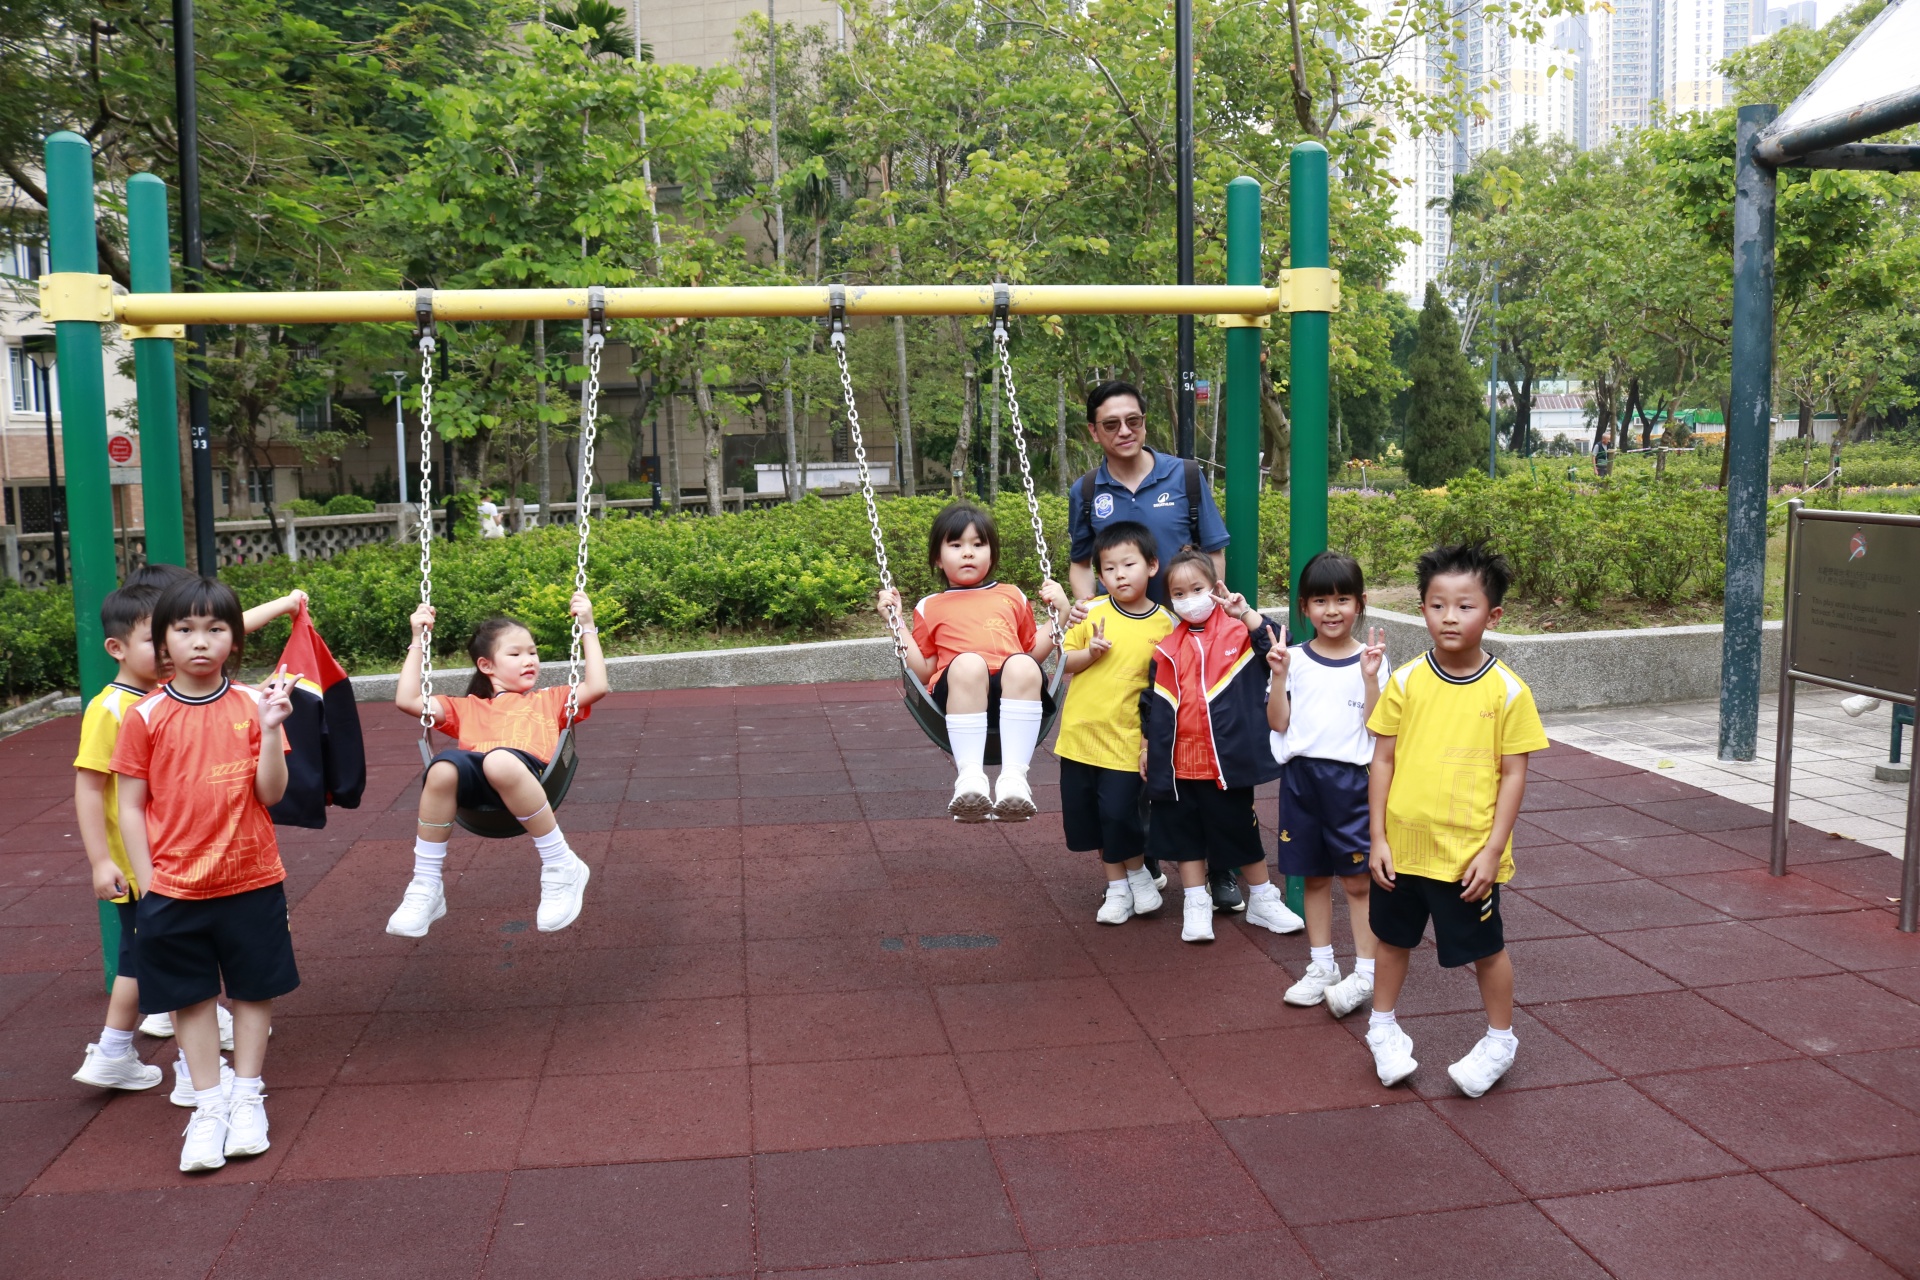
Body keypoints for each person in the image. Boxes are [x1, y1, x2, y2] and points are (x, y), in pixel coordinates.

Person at [112, 576, 303, 1172]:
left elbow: (271, 794)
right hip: (174, 888)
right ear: (164, 642)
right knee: (189, 997)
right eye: (185, 629)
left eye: (216, 629)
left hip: (252, 878)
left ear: (234, 640)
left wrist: (271, 728)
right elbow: (129, 805)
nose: (201, 641)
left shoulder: (253, 703)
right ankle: (209, 1104)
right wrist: (149, 884)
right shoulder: (145, 715)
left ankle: (247, 1096)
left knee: (252, 989)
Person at [1363, 543, 1548, 1097]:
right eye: (1437, 604)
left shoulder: (1508, 691)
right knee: (1391, 940)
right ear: (1422, 609)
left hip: (1467, 857)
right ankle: (1382, 1028)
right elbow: (1383, 760)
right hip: (1402, 847)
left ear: (1493, 615)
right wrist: (1377, 838)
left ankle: (1500, 1041)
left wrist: (1492, 851)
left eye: (1465, 606)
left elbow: (1513, 775)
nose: (1449, 617)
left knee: (1486, 949)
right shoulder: (1405, 681)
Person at [1062, 380, 1236, 908]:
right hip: (1123, 641)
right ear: (1094, 432)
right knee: (1132, 750)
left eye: (1133, 420)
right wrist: (1088, 608)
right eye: (1111, 424)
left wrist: (1206, 612)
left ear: (1144, 422)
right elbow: (1081, 561)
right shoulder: (1087, 491)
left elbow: (1213, 553)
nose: (1125, 431)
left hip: (1183, 637)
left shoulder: (1184, 476)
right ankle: (1145, 859)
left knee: (1200, 752)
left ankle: (1221, 868)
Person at [386, 594, 610, 937]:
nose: (529, 660)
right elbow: (407, 700)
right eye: (515, 654)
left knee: (499, 760)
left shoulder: (551, 699)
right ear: (486, 666)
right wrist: (418, 640)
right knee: (442, 768)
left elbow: (597, 686)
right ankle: (426, 884)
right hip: (478, 784)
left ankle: (561, 863)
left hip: (528, 777)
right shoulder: (467, 707)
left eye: (533, 652)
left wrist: (588, 627)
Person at [1140, 547, 1305, 943]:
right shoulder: (1166, 648)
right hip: (1179, 763)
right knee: (1186, 836)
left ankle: (1263, 898)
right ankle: (1196, 903)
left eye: (1197, 589)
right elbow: (1151, 703)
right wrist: (1146, 747)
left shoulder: (1239, 633)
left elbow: (1279, 645)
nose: (1189, 599)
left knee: (1240, 829)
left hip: (1225, 762)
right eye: (1178, 594)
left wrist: (1244, 612)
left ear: (1215, 588)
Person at [878, 501, 1059, 823]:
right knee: (969, 663)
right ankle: (970, 778)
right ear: (938, 557)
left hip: (1013, 694)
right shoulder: (929, 605)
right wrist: (896, 623)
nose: (968, 553)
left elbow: (1031, 654)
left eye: (978, 545)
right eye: (956, 545)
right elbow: (923, 670)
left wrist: (1062, 615)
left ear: (992, 554)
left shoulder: (1012, 595)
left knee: (1022, 665)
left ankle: (1014, 780)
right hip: (959, 693)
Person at [1267, 551, 1387, 1017]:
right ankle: (1322, 966)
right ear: (1304, 606)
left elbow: (1377, 727)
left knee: (1357, 882)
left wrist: (1371, 679)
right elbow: (1278, 723)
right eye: (1320, 601)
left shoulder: (1371, 660)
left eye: (1342, 600)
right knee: (1312, 877)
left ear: (1360, 603)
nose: (1331, 610)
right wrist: (1278, 676)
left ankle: (1367, 973)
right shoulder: (1293, 659)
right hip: (1301, 780)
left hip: (1352, 782)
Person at [1041, 522, 1172, 924]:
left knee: (1119, 813)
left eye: (1129, 565)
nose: (1119, 575)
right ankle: (1118, 887)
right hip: (1080, 736)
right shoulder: (1091, 611)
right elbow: (1064, 663)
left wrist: (1150, 743)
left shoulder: (1166, 625)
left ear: (1152, 566)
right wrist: (1092, 653)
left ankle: (1139, 875)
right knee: (1094, 821)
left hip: (1126, 740)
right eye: (1109, 568)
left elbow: (1165, 690)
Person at [69, 585, 169, 1096]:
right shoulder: (110, 709)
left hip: (162, 852)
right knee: (141, 951)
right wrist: (100, 860)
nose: (169, 650)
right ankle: (113, 1051)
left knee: (154, 945)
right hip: (138, 861)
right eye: (155, 640)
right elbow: (89, 787)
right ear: (117, 648)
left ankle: (160, 1023)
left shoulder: (159, 698)